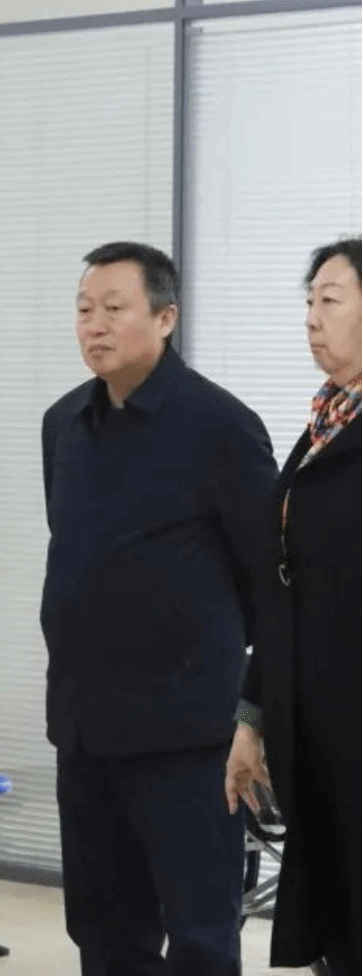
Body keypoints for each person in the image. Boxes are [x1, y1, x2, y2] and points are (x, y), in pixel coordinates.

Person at [40, 241, 279, 976]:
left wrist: (246, 706)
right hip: (85, 731)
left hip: (187, 739)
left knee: (201, 936)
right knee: (104, 934)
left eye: (114, 308)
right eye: (84, 309)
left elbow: (269, 584)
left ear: (165, 317)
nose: (94, 324)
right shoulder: (63, 423)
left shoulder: (222, 426)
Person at [226, 236, 361, 976]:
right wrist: (253, 717)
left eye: (329, 300)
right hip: (317, 737)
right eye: (308, 301)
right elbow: (283, 588)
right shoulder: (323, 426)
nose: (311, 317)